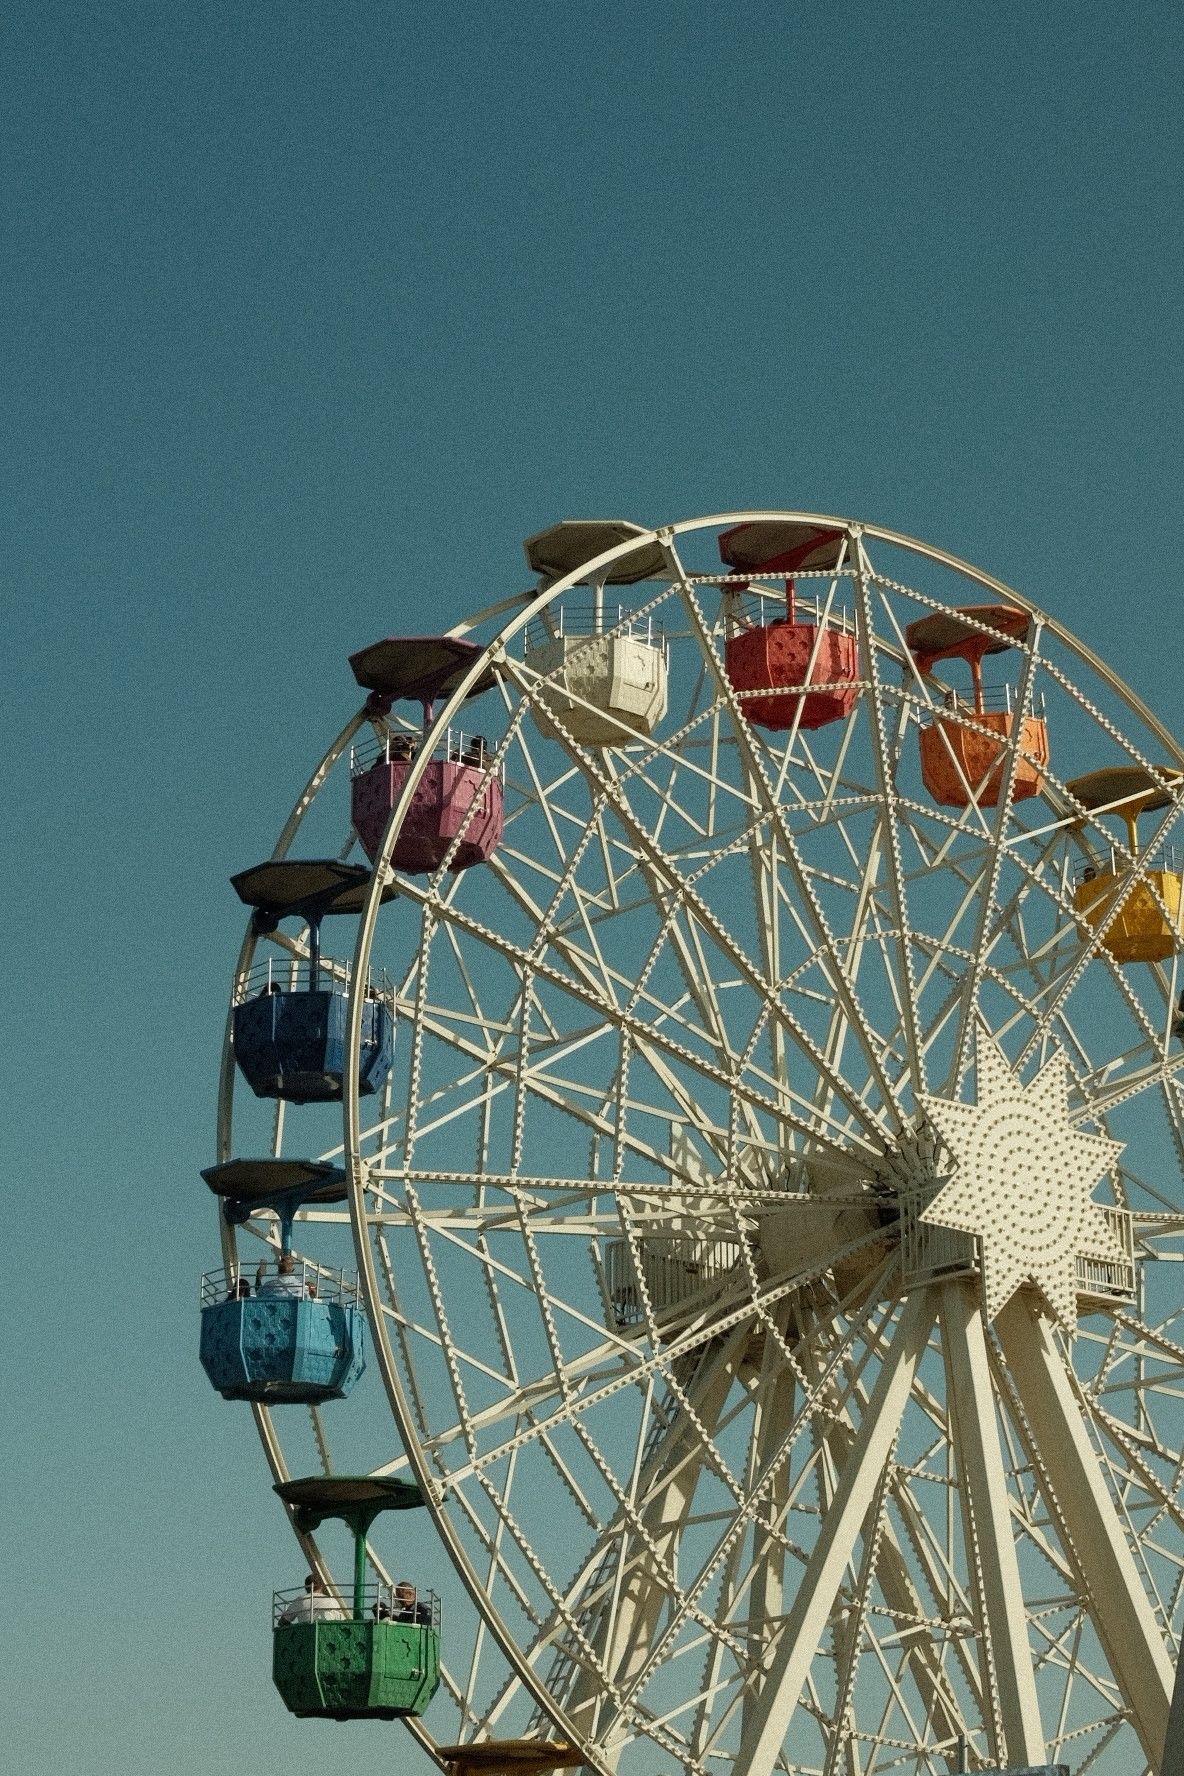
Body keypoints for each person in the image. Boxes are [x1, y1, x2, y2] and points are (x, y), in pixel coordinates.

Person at [278, 1573, 347, 1625]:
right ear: (322, 1586)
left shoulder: (301, 1600)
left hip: (304, 1636)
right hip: (330, 1636)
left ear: (306, 1586)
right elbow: (342, 1622)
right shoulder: (332, 1601)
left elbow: (282, 1621)